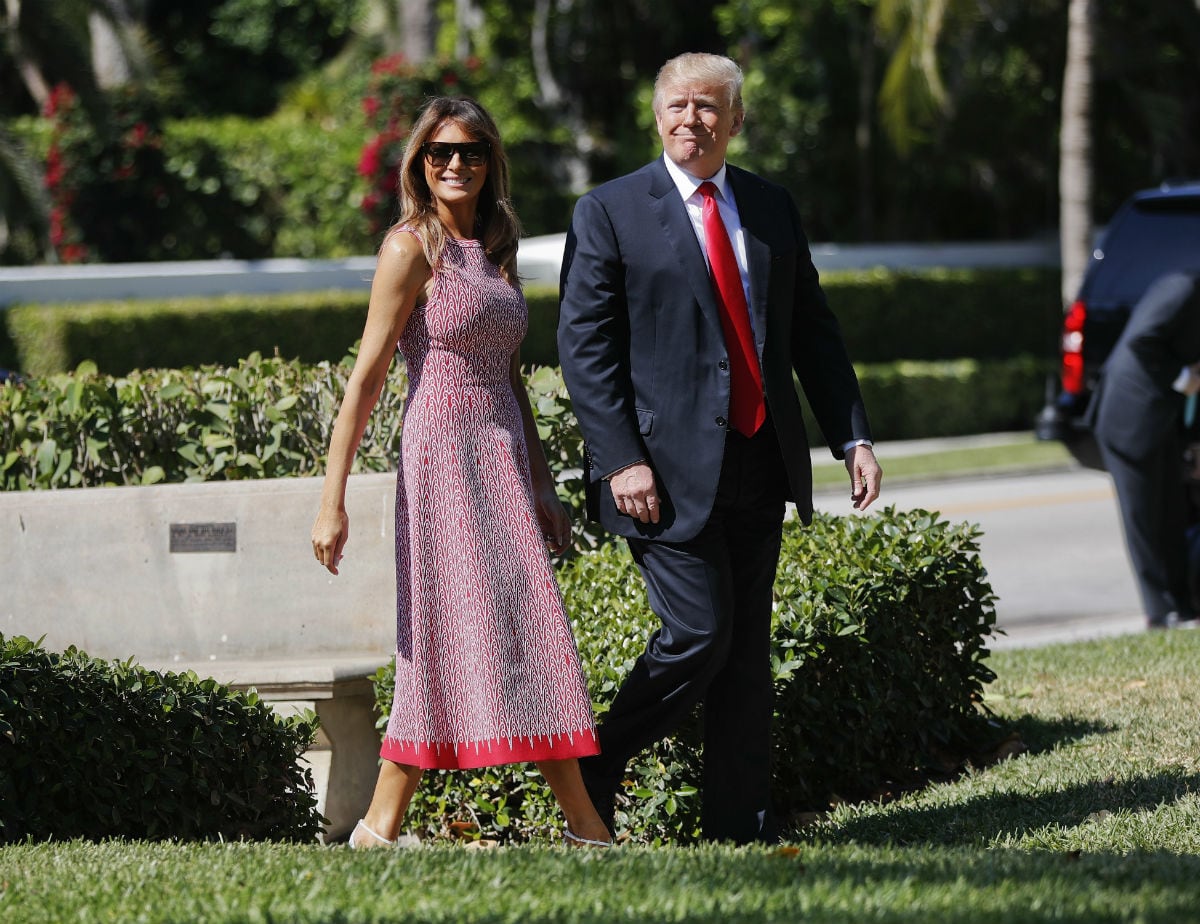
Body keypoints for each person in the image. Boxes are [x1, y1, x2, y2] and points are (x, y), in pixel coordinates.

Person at [556, 52, 881, 844]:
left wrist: (852, 435)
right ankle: (594, 763)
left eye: (708, 106)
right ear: (656, 116)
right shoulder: (609, 211)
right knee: (699, 634)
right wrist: (620, 458)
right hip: (659, 475)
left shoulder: (770, 206)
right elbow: (584, 348)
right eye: (677, 104)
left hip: (760, 460)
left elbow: (812, 329)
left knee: (744, 659)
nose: (690, 119)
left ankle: (739, 828)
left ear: (735, 119)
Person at [311, 96, 611, 849]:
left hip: (500, 457)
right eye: (440, 152)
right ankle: (585, 830)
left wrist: (541, 482)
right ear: (419, 163)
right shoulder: (410, 247)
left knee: (525, 623)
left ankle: (381, 829)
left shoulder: (496, 243)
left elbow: (510, 377)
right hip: (441, 457)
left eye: (471, 152)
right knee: (448, 628)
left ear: (489, 162)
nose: (455, 164)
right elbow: (367, 378)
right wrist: (332, 500)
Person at [1087, 271, 1200, 630]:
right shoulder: (1181, 287)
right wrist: (1184, 378)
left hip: (1164, 420)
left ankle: (1183, 607)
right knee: (1145, 518)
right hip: (1129, 418)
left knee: (1172, 514)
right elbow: (1142, 340)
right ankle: (1160, 612)